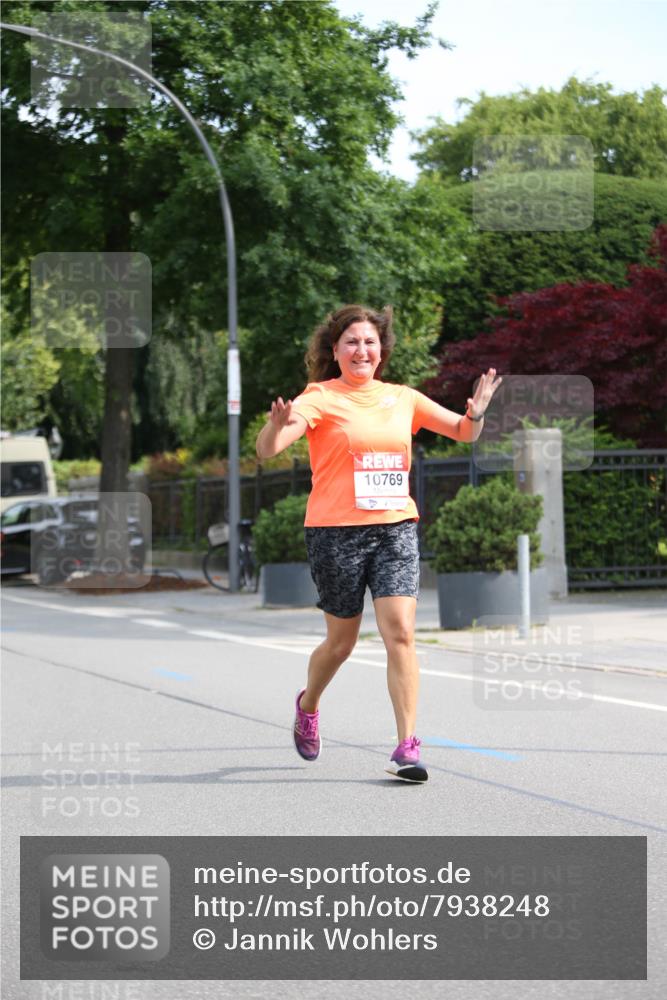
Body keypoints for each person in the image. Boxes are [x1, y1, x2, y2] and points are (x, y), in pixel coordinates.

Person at [256, 304, 501, 783]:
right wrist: (275, 423)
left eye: (369, 342)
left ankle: (407, 746)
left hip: (394, 528)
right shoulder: (319, 397)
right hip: (334, 533)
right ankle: (308, 705)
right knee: (341, 643)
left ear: (381, 351)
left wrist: (477, 413)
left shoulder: (402, 399)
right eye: (351, 342)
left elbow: (463, 432)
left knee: (401, 634)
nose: (361, 350)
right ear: (335, 351)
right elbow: (270, 448)